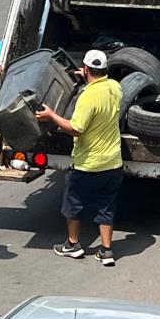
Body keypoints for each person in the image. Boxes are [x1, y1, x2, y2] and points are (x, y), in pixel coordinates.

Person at [36, 49, 123, 267]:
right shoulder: (115, 87)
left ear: (86, 69)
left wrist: (52, 116)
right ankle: (106, 250)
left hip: (88, 164)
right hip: (113, 163)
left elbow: (76, 128)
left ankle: (73, 245)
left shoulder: (87, 97)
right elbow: (101, 82)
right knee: (106, 207)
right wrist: (86, 74)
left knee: (73, 205)